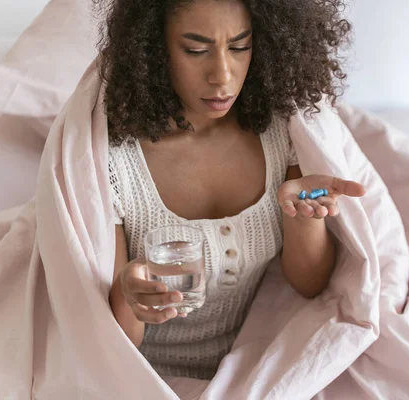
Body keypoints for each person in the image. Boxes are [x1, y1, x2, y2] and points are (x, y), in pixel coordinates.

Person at [100, 0, 365, 380]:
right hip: (137, 375)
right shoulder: (115, 161)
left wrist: (303, 216)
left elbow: (310, 286)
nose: (222, 76)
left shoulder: (280, 132)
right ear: (153, 48)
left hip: (250, 368)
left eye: (240, 47)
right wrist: (128, 295)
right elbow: (111, 342)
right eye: (196, 50)